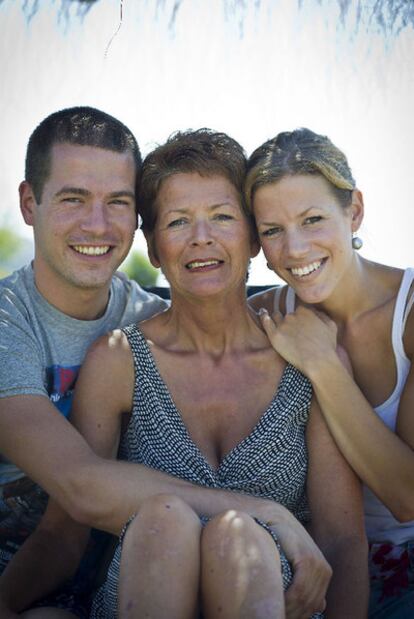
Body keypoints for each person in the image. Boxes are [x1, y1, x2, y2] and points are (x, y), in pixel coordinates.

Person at [0, 112, 340, 618]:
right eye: (178, 221)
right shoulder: (107, 350)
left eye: (117, 202)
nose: (96, 223)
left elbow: (345, 538)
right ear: (154, 245)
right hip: (86, 568)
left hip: (258, 588)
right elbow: (74, 498)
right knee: (168, 518)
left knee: (234, 536)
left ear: (252, 236)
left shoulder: (298, 347)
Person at [246, 127, 414, 618]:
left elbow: (407, 495)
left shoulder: (408, 315)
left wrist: (322, 363)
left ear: (354, 211)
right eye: (272, 230)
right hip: (311, 561)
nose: (295, 249)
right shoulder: (264, 318)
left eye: (313, 219)